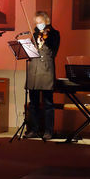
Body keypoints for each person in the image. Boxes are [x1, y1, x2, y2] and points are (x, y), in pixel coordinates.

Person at [25, 11, 60, 140]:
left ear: (47, 22)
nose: (38, 25)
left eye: (41, 23)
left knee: (48, 103)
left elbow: (53, 49)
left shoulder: (54, 34)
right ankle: (34, 129)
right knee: (33, 103)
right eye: (37, 23)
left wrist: (46, 36)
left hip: (46, 70)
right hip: (34, 70)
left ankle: (48, 131)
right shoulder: (34, 35)